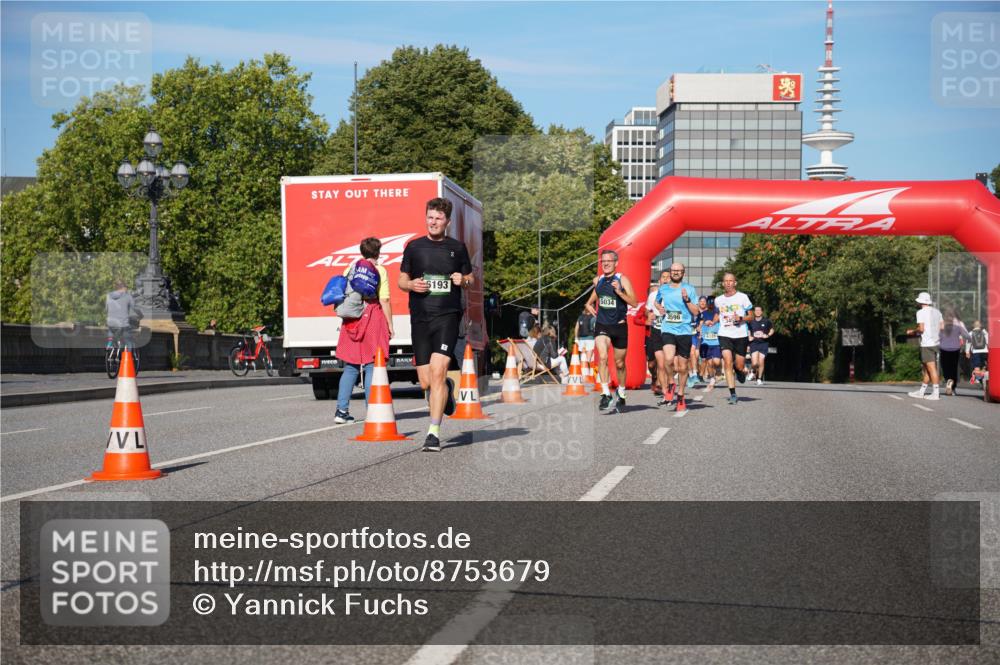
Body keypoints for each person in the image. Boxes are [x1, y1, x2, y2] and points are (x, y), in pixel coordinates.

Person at [399, 197, 473, 452]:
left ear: (447, 222)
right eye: (430, 217)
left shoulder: (457, 248)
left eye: (438, 218)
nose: (433, 222)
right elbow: (401, 280)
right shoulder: (414, 247)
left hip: (447, 316)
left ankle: (433, 433)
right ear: (426, 218)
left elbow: (471, 278)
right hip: (419, 317)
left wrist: (462, 279)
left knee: (439, 371)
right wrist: (411, 285)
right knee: (425, 382)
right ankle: (447, 392)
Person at [334, 237, 394, 424]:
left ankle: (341, 411)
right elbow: (383, 299)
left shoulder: (350, 268)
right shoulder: (380, 270)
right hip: (372, 317)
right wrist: (390, 324)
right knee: (371, 366)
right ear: (378, 252)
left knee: (351, 367)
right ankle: (372, 411)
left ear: (362, 251)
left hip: (352, 319)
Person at [584, 249, 638, 413]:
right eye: (603, 261)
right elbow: (595, 296)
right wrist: (588, 304)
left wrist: (619, 292)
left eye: (609, 261)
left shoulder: (622, 279)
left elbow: (634, 303)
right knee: (603, 356)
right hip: (602, 325)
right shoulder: (598, 280)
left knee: (620, 364)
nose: (605, 263)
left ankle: (621, 392)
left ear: (616, 263)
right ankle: (605, 393)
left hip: (619, 326)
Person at [653, 262, 700, 412]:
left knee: (682, 367)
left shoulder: (690, 289)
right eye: (673, 270)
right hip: (668, 328)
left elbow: (696, 312)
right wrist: (659, 307)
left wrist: (687, 300)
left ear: (683, 273)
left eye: (679, 271)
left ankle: (680, 395)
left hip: (685, 331)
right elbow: (656, 301)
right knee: (668, 359)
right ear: (671, 272)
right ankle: (671, 383)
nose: (675, 273)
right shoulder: (664, 288)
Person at [714, 273, 751, 405]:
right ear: (723, 283)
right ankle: (733, 393)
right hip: (724, 334)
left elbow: (751, 316)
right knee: (727, 362)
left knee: (739, 365)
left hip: (740, 334)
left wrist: (741, 319)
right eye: (726, 281)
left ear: (735, 283)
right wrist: (712, 322)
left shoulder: (743, 297)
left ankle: (740, 371)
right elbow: (718, 314)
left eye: (731, 281)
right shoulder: (718, 300)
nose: (728, 283)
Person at [906, 291, 943, 400]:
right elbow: (942, 327)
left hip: (927, 344)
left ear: (920, 302)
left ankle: (936, 393)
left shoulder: (920, 312)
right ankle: (921, 392)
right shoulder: (937, 312)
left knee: (931, 369)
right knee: (928, 368)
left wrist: (912, 331)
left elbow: (921, 329)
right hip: (936, 342)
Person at [644, 272, 669, 395]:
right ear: (660, 281)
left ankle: (661, 385)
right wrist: (649, 314)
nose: (666, 279)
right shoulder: (653, 295)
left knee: (664, 362)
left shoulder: (675, 295)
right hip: (656, 330)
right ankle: (656, 380)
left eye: (668, 277)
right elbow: (646, 309)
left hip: (670, 331)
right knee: (653, 363)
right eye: (663, 277)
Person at [938, 308, 971, 396]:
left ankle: (948, 380)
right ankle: (953, 387)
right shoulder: (959, 323)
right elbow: (967, 335)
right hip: (955, 349)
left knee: (945, 367)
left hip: (943, 348)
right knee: (954, 368)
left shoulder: (942, 323)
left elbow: (938, 336)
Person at [105, 279, 139, 350]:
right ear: (124, 287)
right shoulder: (128, 296)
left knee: (111, 329)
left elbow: (106, 308)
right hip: (123, 324)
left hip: (111, 323)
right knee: (128, 340)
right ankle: (128, 356)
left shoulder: (108, 295)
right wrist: (140, 315)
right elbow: (135, 308)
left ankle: (110, 342)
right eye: (126, 287)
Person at [699, 295, 722, 391]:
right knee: (709, 362)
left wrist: (713, 322)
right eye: (709, 302)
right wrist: (704, 324)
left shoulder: (718, 311)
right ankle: (712, 379)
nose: (711, 304)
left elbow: (719, 319)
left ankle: (718, 370)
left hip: (716, 342)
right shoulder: (703, 313)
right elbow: (699, 324)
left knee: (716, 361)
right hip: (706, 341)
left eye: (712, 302)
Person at [747, 306, 775, 386]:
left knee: (761, 361)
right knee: (755, 363)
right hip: (754, 343)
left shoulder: (766, 321)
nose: (757, 311)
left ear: (762, 311)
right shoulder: (751, 321)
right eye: (756, 310)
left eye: (759, 310)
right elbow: (748, 330)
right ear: (754, 312)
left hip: (763, 343)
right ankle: (753, 371)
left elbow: (772, 329)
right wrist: (749, 336)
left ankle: (759, 379)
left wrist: (768, 335)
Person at [968, 320, 989, 385]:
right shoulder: (984, 332)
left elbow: (968, 343)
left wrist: (967, 352)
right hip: (985, 351)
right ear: (980, 325)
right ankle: (984, 379)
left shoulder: (971, 333)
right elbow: (988, 341)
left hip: (975, 351)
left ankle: (977, 379)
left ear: (973, 326)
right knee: (983, 365)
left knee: (976, 365)